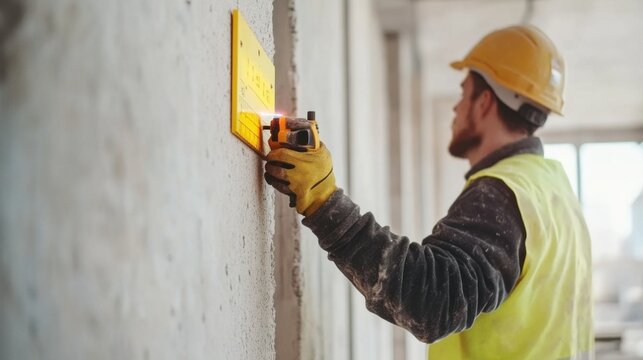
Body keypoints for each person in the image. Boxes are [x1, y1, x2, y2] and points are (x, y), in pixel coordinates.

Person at [264, 25, 593, 359]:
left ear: (484, 102)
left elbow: (435, 300)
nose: (456, 107)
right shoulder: (555, 193)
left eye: (463, 92)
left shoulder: (503, 193)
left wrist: (324, 201)